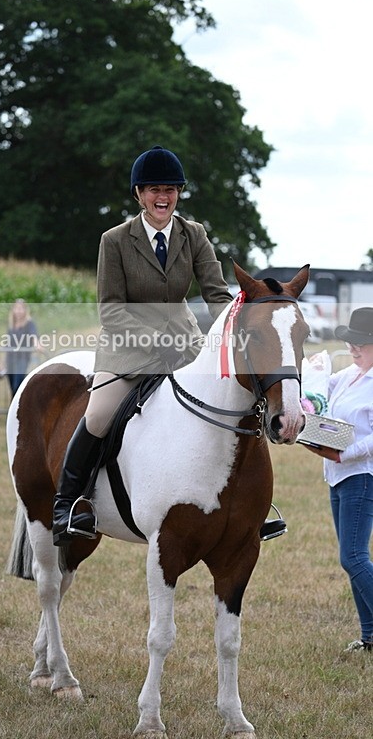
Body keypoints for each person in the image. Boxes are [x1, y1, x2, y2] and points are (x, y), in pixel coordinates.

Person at [54, 144, 252, 546]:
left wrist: (237, 325)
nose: (163, 197)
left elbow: (216, 293)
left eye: (171, 190)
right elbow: (110, 309)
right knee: (98, 415)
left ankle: (249, 507)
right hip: (127, 346)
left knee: (237, 402)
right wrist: (153, 339)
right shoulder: (115, 240)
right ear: (139, 195)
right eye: (154, 189)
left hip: (184, 344)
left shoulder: (193, 235)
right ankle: (68, 504)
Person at [302, 307, 373, 653]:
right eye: (351, 341)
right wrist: (314, 372)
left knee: (353, 557)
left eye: (361, 343)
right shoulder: (349, 376)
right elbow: (318, 395)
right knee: (351, 557)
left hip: (360, 475)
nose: (353, 347)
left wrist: (345, 455)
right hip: (336, 476)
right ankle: (370, 637)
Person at [6, 299, 39, 397]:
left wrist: (37, 344)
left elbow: (34, 335)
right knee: (12, 386)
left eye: (21, 309)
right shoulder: (11, 325)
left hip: (22, 358)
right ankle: (13, 409)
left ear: (25, 310)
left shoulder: (29, 324)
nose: (19, 311)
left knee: (18, 385)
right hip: (10, 359)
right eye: (16, 308)